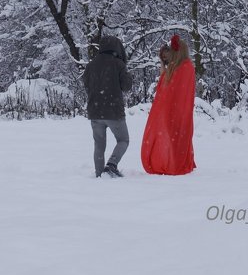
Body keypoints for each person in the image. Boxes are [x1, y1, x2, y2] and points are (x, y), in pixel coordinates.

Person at [141, 34, 197, 175]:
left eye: (167, 56)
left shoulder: (182, 68)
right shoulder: (183, 67)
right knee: (174, 136)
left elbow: (170, 90)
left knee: (173, 136)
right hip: (175, 111)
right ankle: (170, 160)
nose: (166, 59)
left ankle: (170, 162)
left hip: (174, 110)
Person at [82, 34, 133, 178]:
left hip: (95, 111)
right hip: (113, 111)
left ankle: (99, 175)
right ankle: (111, 165)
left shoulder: (91, 65)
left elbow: (86, 84)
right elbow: (126, 86)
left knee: (99, 145)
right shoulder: (118, 64)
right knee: (123, 140)